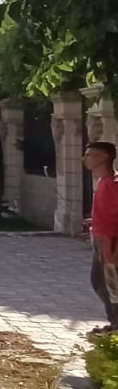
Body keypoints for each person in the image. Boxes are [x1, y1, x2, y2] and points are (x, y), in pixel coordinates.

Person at [83, 142, 118, 333]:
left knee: (110, 285)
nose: (85, 158)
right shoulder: (103, 182)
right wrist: (93, 220)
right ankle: (114, 322)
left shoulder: (112, 184)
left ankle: (116, 325)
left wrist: (111, 248)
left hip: (108, 243)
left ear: (104, 157)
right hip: (100, 240)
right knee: (99, 282)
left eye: (89, 154)